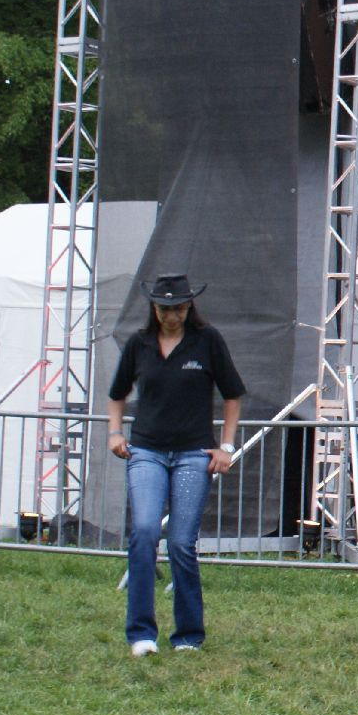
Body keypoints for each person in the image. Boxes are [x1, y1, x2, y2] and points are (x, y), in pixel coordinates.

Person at [107, 273, 246, 657]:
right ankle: (140, 633)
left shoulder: (208, 341)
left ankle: (188, 635)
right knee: (146, 532)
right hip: (146, 451)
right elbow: (117, 394)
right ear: (154, 307)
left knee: (182, 543)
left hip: (193, 454)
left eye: (180, 308)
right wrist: (115, 433)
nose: (173, 315)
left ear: (189, 307)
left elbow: (233, 394)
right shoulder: (139, 344)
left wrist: (227, 446)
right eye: (166, 308)